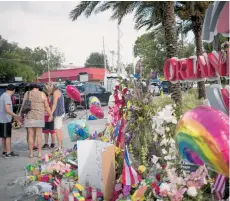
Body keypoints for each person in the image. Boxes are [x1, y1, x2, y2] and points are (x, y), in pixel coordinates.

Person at [22, 83, 52, 158]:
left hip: (29, 117)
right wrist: (50, 115)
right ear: (38, 88)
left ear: (31, 88)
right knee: (39, 135)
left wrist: (21, 115)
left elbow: (23, 105)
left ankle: (31, 153)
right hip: (39, 117)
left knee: (30, 135)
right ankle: (39, 153)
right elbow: (47, 106)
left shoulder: (27, 93)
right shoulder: (42, 94)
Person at [0, 84, 21, 158]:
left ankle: (5, 151)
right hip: (6, 119)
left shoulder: (3, 95)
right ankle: (8, 153)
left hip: (2, 119)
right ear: (13, 90)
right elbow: (7, 109)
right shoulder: (7, 97)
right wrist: (15, 115)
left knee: (4, 136)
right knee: (8, 136)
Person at [50, 83, 65, 151]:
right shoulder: (59, 92)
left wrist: (51, 114)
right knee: (59, 129)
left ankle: (59, 147)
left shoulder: (56, 93)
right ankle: (61, 145)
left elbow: (54, 104)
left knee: (57, 130)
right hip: (60, 112)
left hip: (58, 113)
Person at [42, 84, 56, 149]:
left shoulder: (51, 97)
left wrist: (51, 115)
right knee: (46, 131)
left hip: (49, 115)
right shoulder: (44, 96)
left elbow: (52, 106)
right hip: (45, 116)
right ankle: (46, 143)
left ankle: (52, 143)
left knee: (51, 131)